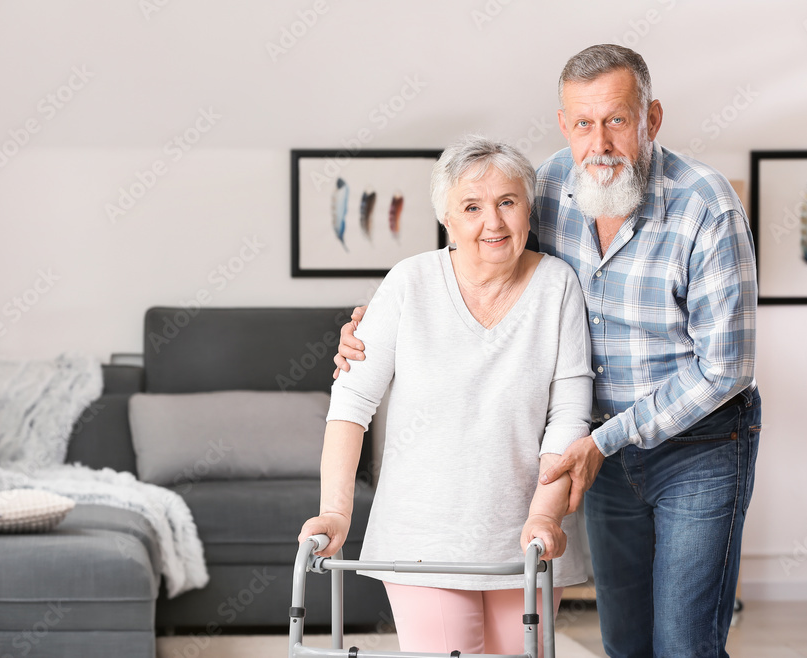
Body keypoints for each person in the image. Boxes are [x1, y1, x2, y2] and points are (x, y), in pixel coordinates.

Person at [334, 45, 761, 658]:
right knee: (626, 641)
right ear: (564, 124)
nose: (601, 143)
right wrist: (374, 323)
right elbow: (485, 263)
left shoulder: (707, 205)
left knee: (684, 643)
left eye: (617, 120)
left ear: (652, 118)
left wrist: (601, 440)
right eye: (584, 123)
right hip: (598, 450)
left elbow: (727, 368)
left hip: (699, 444)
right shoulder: (550, 187)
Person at [299, 135, 594, 655]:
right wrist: (335, 512)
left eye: (507, 202)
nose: (494, 222)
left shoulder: (557, 285)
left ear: (529, 209)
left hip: (528, 534)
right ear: (448, 219)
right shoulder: (409, 283)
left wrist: (545, 516)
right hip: (422, 536)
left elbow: (569, 415)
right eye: (472, 207)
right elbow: (351, 403)